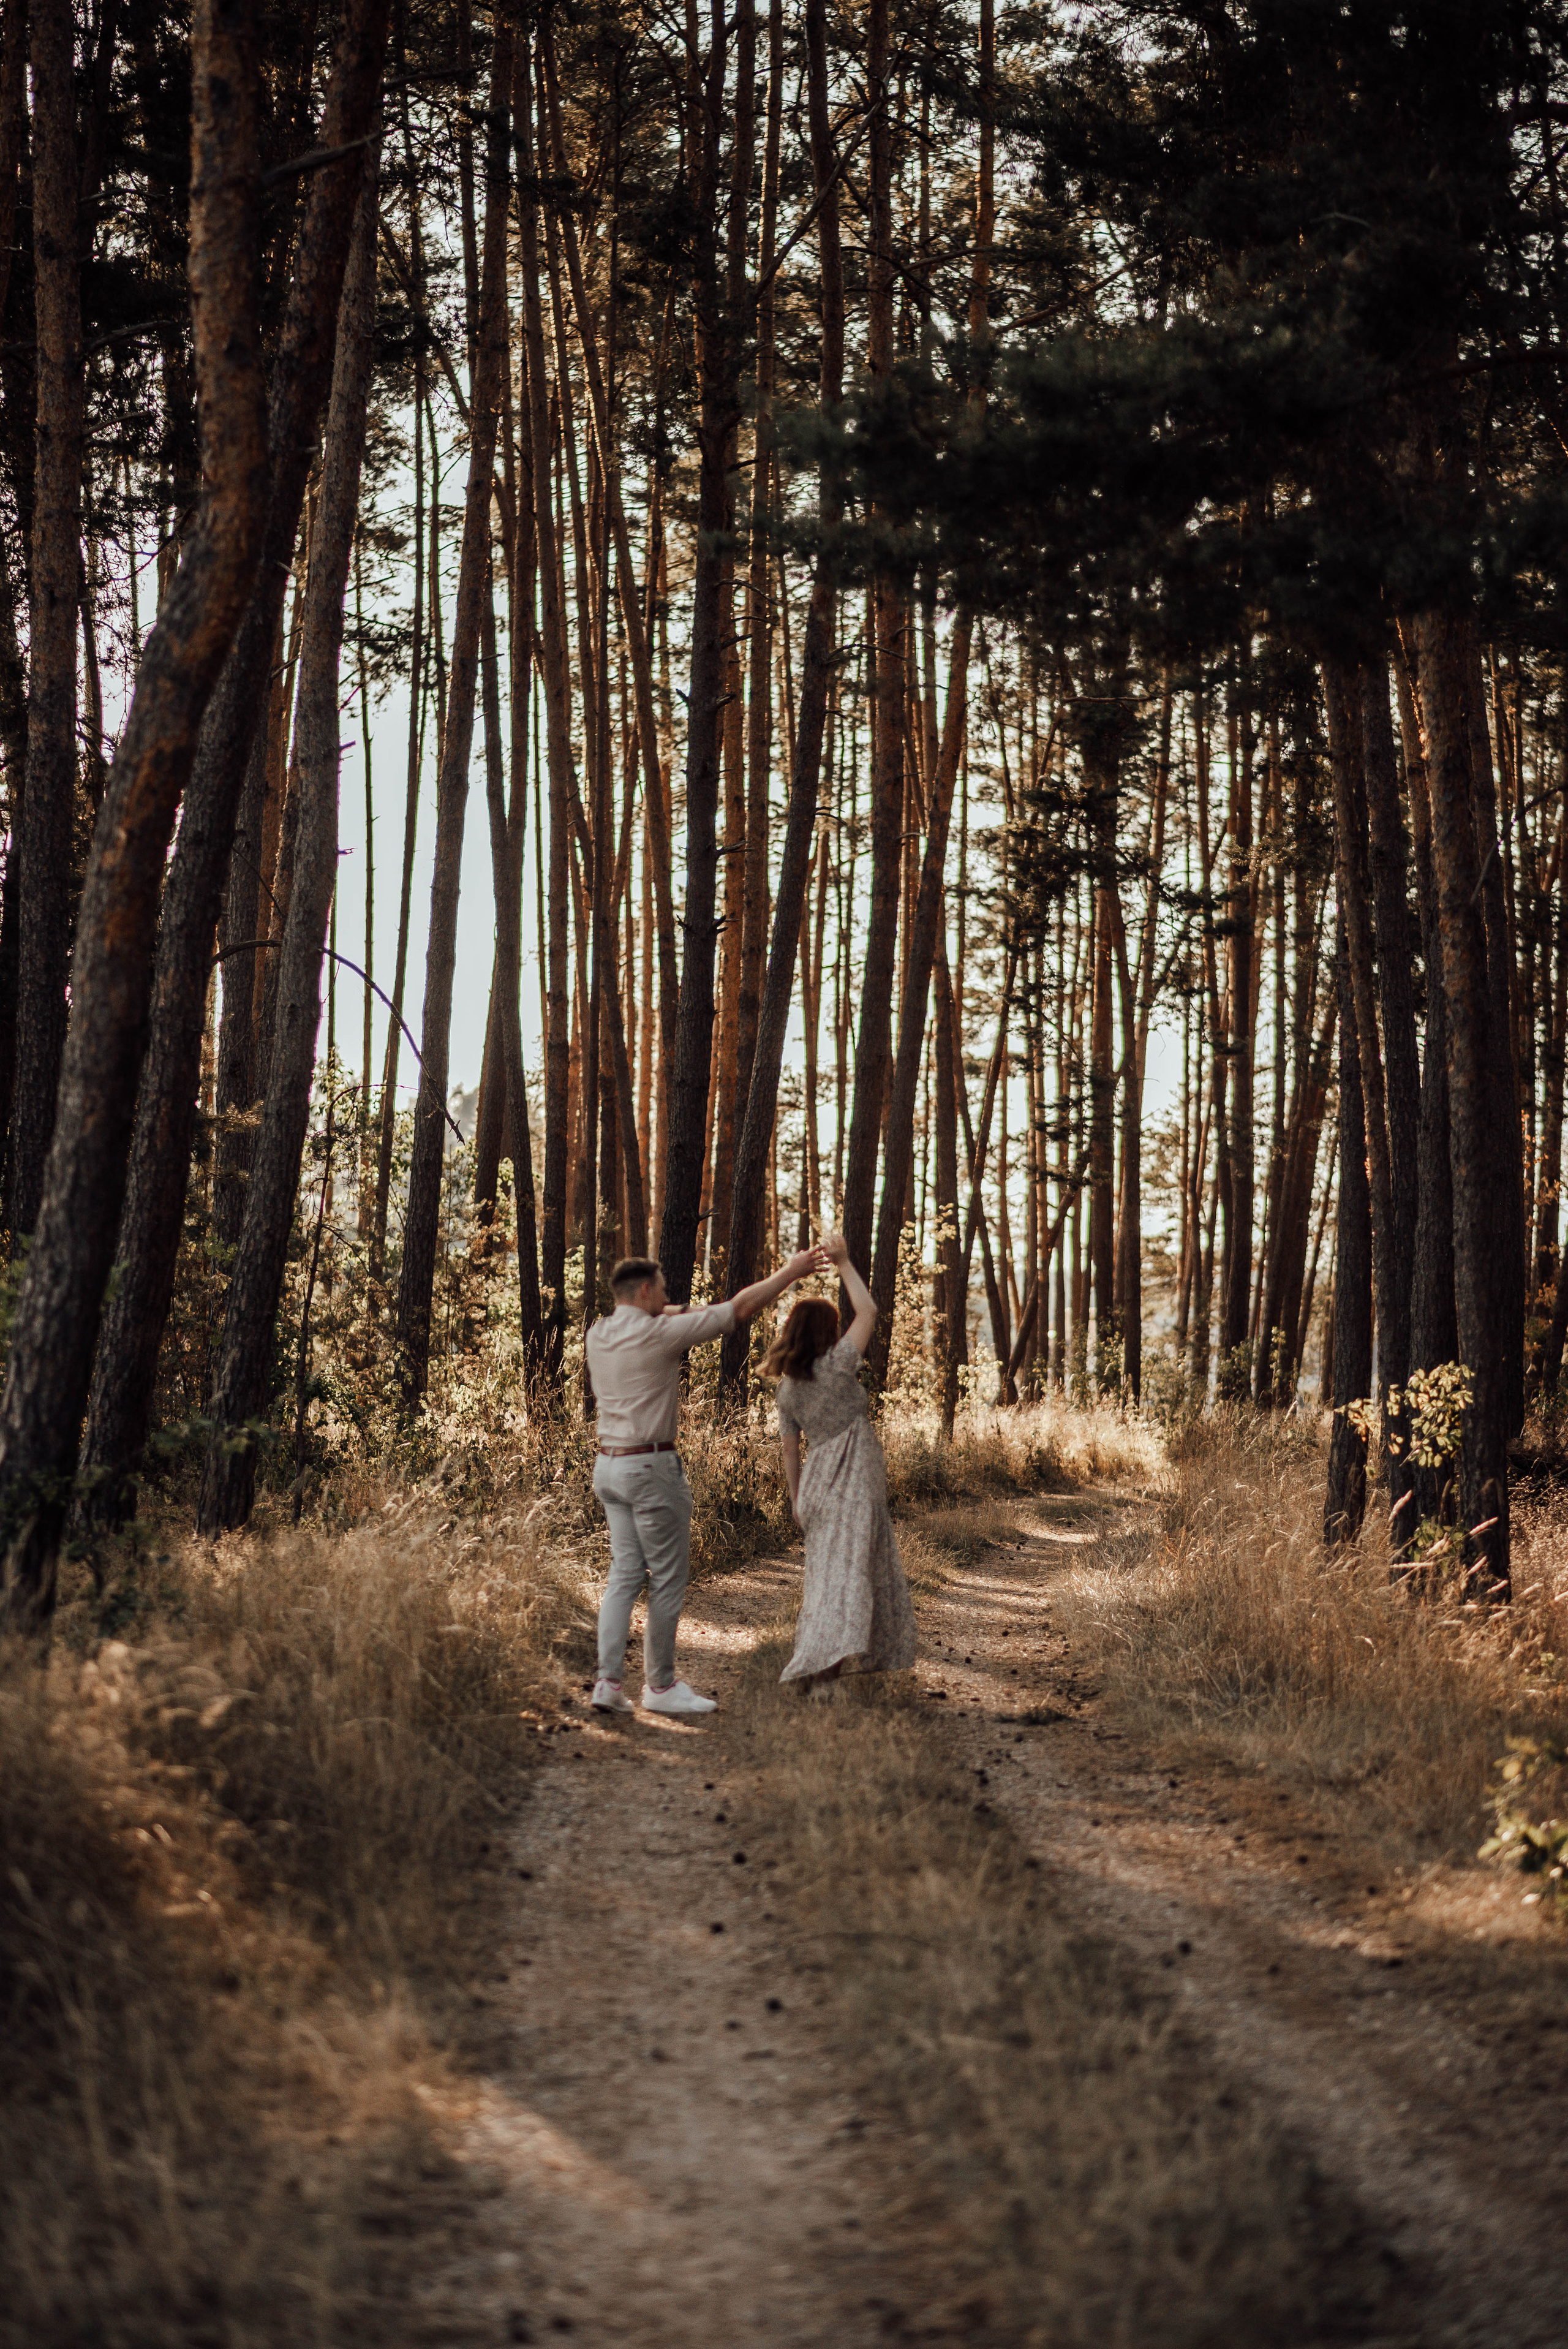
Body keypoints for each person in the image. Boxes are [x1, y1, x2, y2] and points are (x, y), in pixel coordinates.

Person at [587, 1248, 820, 1716]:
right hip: (651, 1468)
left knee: (625, 1576)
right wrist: (791, 1272)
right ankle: (661, 1686)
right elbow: (740, 1308)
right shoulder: (661, 1334)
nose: (671, 1298)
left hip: (608, 1467)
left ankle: (608, 1684)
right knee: (669, 1577)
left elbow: (663, 1311)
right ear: (648, 1291)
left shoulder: (600, 1331)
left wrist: (667, 1309)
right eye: (665, 1290)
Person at [763, 1231, 916, 1693]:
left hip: (816, 1486)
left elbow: (790, 1450)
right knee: (854, 1575)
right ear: (828, 1333)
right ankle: (825, 1669)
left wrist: (795, 1502)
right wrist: (846, 1262)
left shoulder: (787, 1388)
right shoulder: (839, 1363)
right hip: (857, 1481)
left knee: (826, 1578)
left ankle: (818, 1666)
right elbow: (868, 1311)